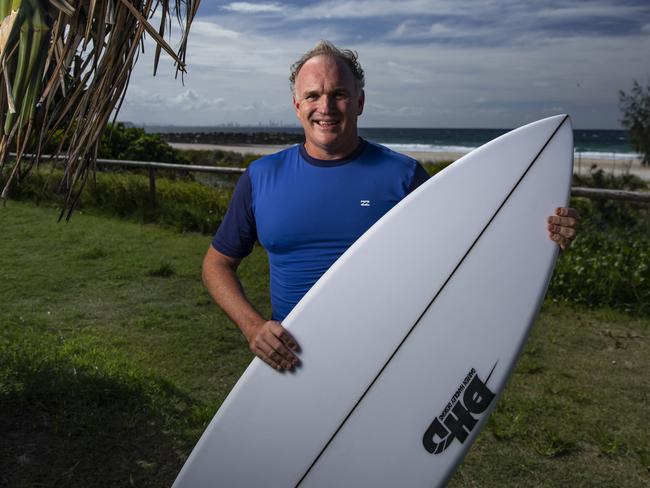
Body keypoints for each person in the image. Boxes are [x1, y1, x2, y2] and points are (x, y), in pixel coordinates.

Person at [202, 41, 578, 372]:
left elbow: (471, 246)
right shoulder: (261, 176)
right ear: (297, 106)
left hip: (390, 361)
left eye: (339, 93)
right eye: (313, 95)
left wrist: (542, 231)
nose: (326, 107)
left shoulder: (404, 175)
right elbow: (217, 263)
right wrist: (252, 327)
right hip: (292, 360)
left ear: (360, 101)